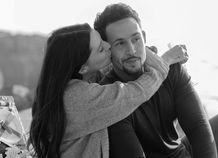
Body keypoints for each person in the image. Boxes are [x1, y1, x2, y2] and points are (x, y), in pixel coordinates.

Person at [94, 3, 218, 158]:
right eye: (120, 43)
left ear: (144, 37)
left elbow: (198, 127)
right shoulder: (108, 97)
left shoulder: (171, 70)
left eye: (136, 39)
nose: (132, 50)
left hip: (182, 152)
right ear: (108, 49)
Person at [27, 23, 188, 158]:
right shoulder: (78, 99)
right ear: (83, 67)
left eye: (102, 40)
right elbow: (136, 91)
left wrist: (142, 51)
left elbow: (111, 67)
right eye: (101, 49)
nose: (108, 45)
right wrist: (166, 60)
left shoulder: (63, 86)